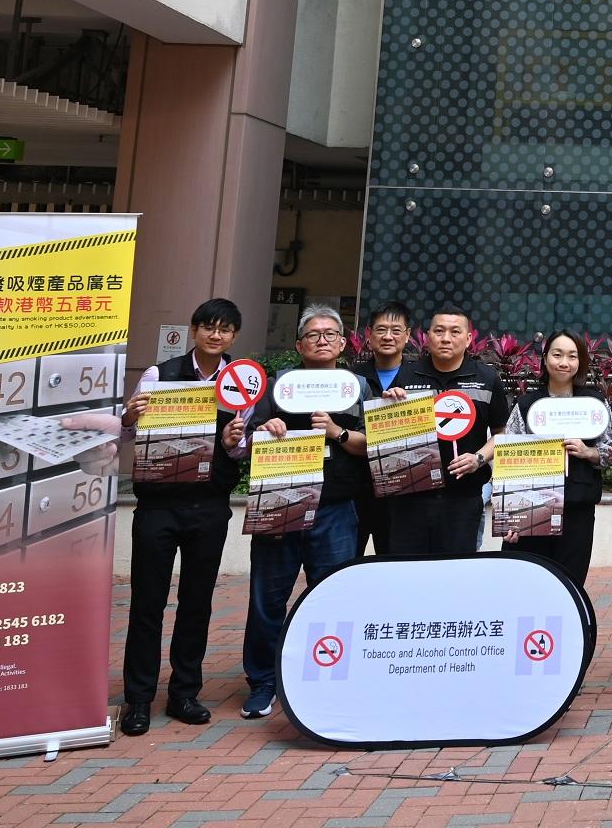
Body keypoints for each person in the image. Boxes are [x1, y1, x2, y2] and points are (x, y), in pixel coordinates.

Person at [228, 306, 367, 720]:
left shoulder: (359, 386)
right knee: (267, 599)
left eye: (331, 334)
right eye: (313, 334)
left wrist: (337, 433)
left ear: (343, 344)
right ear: (298, 345)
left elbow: (372, 445)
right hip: (280, 503)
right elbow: (243, 441)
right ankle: (264, 682)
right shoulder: (275, 387)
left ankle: (327, 676)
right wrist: (262, 432)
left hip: (337, 506)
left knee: (333, 598)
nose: (322, 340)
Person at [118, 297, 248, 735]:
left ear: (234, 336)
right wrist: (129, 416)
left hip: (210, 505)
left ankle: (184, 693)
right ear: (194, 330)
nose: (216, 334)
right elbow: (131, 430)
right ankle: (137, 700)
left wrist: (234, 440)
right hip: (158, 505)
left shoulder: (241, 382)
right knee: (147, 602)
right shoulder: (160, 374)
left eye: (225, 329)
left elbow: (241, 449)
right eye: (209, 326)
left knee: (197, 602)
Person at [388, 307, 501, 557]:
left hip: (463, 498)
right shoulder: (406, 375)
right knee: (407, 573)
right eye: (439, 331)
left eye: (454, 331)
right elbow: (390, 433)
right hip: (411, 498)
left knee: (456, 573)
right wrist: (390, 405)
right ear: (427, 336)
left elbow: (501, 433)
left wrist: (478, 458)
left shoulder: (487, 378)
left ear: (469, 338)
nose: (446, 338)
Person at [502, 330, 608, 589]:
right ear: (545, 357)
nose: (564, 362)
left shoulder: (594, 403)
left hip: (578, 508)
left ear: (580, 361)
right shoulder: (527, 404)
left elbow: (611, 451)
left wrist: (588, 452)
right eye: (557, 354)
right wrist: (511, 515)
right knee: (528, 586)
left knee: (570, 586)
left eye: (572, 356)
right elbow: (508, 456)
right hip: (533, 510)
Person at [355, 302, 415, 554]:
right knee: (347, 565)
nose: (388, 336)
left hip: (402, 491)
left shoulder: (419, 380)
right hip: (357, 488)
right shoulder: (352, 379)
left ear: (408, 335)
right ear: (369, 334)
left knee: (393, 565)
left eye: (396, 330)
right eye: (381, 329)